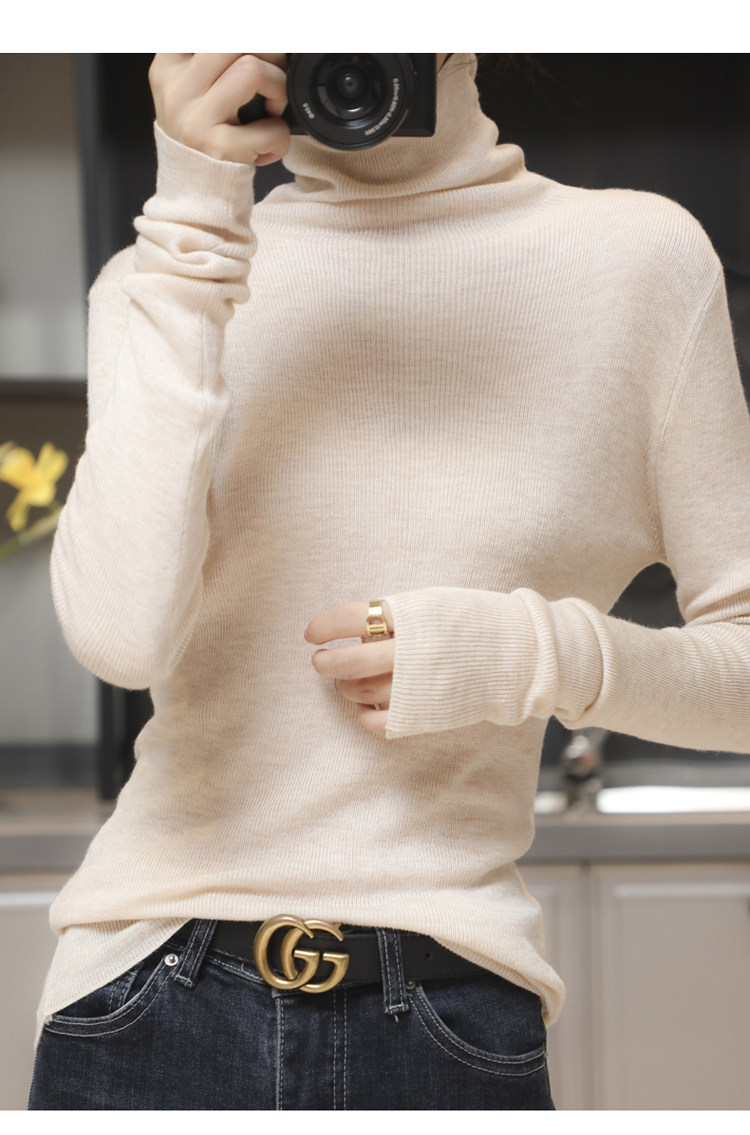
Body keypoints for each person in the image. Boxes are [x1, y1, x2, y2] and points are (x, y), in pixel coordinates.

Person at [27, 52, 750, 1110]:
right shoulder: (171, 268)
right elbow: (118, 639)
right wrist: (192, 217)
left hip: (451, 1013)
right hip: (144, 996)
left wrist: (525, 653)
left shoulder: (639, 265)